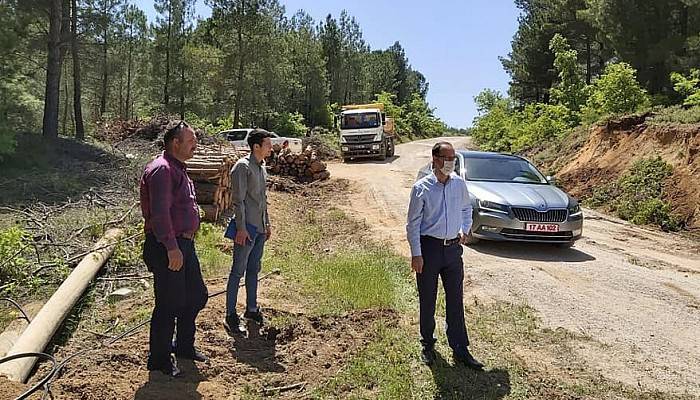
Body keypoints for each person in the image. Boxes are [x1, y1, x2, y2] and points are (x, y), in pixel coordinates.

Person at [406, 141, 484, 370]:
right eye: (447, 158)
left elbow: (466, 209)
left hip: (452, 250)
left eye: (453, 159)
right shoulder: (421, 187)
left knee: (455, 299)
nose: (451, 163)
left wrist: (465, 229)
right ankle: (427, 345)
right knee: (427, 299)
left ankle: (460, 348)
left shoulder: (459, 184)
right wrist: (416, 254)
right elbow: (413, 224)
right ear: (435, 159)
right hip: (429, 250)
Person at [140, 120, 209, 377]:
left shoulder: (179, 169)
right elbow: (159, 213)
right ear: (175, 143)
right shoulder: (162, 170)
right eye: (191, 141)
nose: (195, 145)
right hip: (167, 245)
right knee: (168, 303)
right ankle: (158, 358)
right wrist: (171, 247)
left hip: (184, 244)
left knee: (196, 295)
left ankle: (183, 346)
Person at [224, 128, 273, 335]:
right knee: (238, 271)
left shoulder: (261, 168)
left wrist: (267, 224)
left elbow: (262, 200)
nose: (271, 148)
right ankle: (230, 315)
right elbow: (239, 201)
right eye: (268, 144)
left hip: (259, 228)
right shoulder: (242, 168)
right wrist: (242, 229)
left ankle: (251, 309)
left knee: (254, 269)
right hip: (247, 229)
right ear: (256, 146)